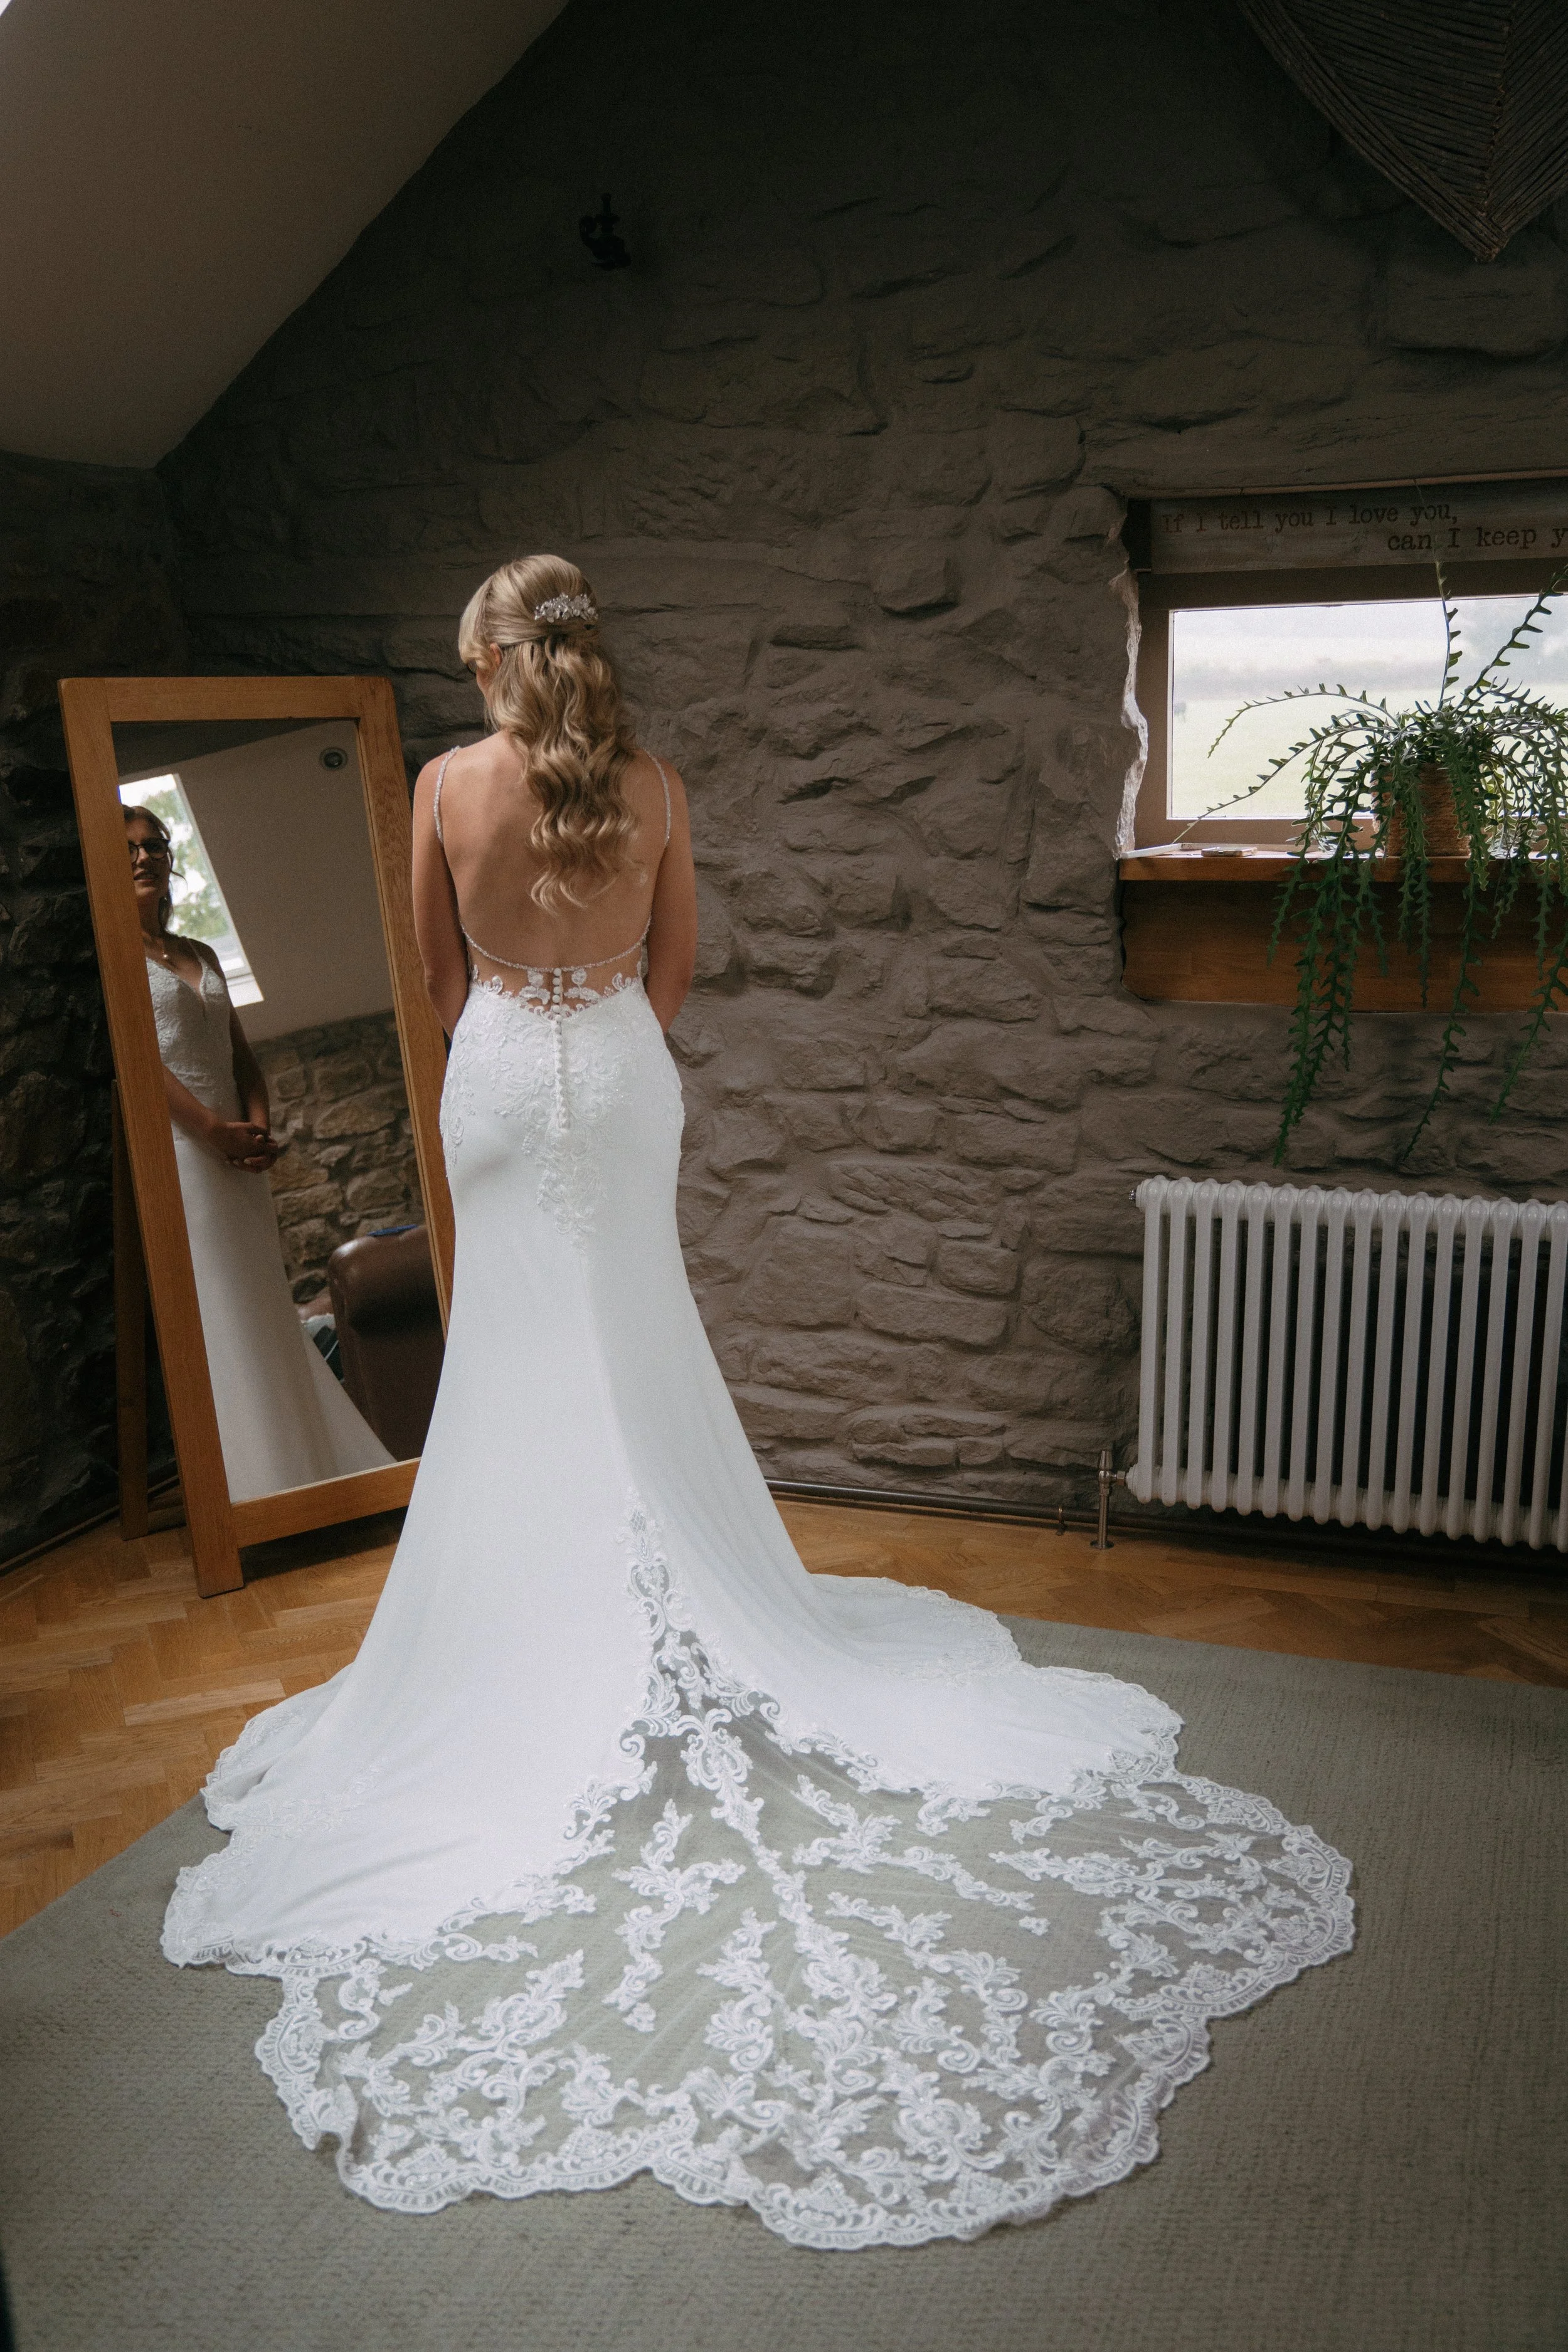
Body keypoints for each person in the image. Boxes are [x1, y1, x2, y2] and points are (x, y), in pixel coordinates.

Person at [162, 559, 1352, 2250]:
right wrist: (603, 1047)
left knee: (520, 1360)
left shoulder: (440, 785)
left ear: (490, 661)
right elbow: (676, 969)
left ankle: (540, 1629)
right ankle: (654, 1603)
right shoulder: (653, 784)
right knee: (633, 1337)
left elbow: (436, 978)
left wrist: (518, 1039)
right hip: (621, 1078)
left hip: (498, 1082)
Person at [126, 806, 395, 1500]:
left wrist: (257, 1128)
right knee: (223, 1314)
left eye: (154, 844)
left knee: (265, 1305)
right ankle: (253, 1491)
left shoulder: (200, 951)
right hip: (184, 1156)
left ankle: (310, 1471)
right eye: (127, 848)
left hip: (240, 1159)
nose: (144, 857)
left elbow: (240, 1056)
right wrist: (211, 1131)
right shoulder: (114, 958)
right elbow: (139, 1064)